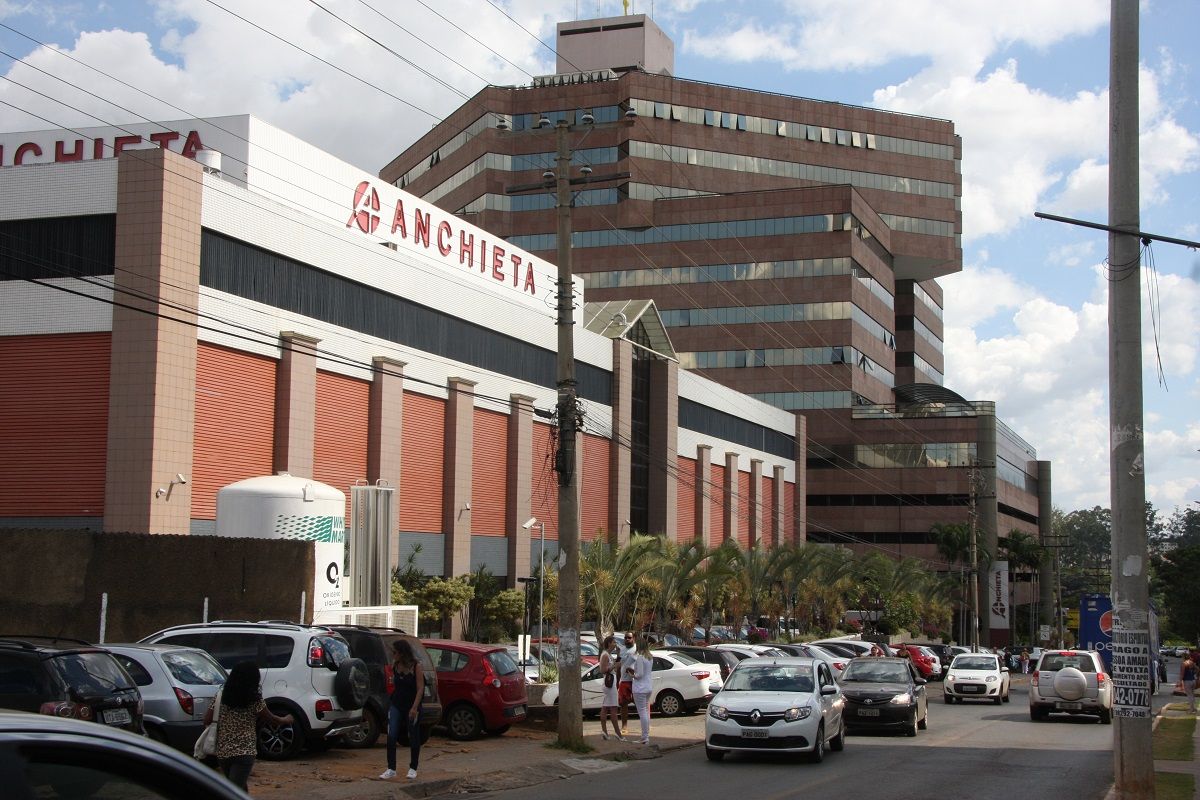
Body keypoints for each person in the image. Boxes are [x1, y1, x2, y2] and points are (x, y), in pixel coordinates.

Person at [204, 661, 293, 792]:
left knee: (236, 787)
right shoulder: (254, 699)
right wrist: (286, 719)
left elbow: (206, 719)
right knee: (235, 790)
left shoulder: (221, 696)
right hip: (245, 751)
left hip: (223, 751)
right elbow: (272, 719)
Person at [381, 639, 426, 780]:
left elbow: (420, 688)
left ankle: (413, 767)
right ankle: (391, 768)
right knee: (392, 735)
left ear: (402, 653)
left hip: (412, 705)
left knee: (413, 735)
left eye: (395, 652)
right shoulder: (395, 666)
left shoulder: (415, 666)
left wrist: (414, 707)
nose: (393, 655)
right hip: (397, 704)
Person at [598, 635, 624, 741]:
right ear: (609, 643)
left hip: (610, 682)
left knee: (605, 707)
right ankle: (618, 733)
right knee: (613, 708)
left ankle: (605, 732)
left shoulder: (608, 654)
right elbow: (603, 670)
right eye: (613, 642)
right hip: (609, 682)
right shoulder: (605, 655)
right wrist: (614, 666)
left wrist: (618, 656)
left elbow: (614, 663)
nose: (615, 644)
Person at [630, 634, 654, 745]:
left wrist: (632, 674)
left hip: (640, 688)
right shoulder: (650, 657)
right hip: (648, 686)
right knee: (646, 712)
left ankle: (645, 737)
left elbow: (639, 674)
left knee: (642, 712)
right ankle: (646, 735)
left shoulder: (640, 657)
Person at [617, 632, 635, 735]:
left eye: (629, 637)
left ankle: (646, 724)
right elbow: (618, 665)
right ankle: (624, 726)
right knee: (623, 704)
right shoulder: (622, 650)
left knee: (639, 703)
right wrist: (618, 680)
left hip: (635, 680)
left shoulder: (637, 649)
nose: (627, 639)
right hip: (624, 680)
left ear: (633, 638)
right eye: (625, 638)